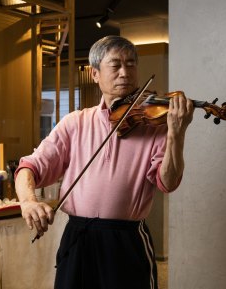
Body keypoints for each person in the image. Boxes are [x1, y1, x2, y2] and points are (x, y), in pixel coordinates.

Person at [14, 35, 195, 289]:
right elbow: (29, 167)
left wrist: (177, 133)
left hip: (126, 239)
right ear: (95, 73)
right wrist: (28, 201)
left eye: (131, 64)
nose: (125, 72)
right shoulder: (75, 122)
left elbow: (168, 182)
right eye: (116, 65)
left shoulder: (154, 127)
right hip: (78, 237)